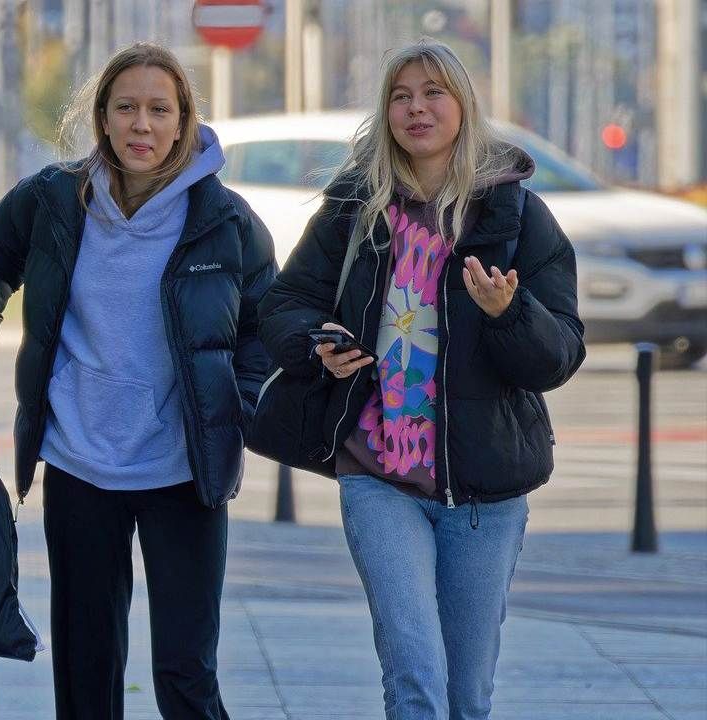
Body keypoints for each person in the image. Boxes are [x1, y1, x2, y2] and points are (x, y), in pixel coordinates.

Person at [0, 42, 277, 720]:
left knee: (185, 671)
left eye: (159, 110)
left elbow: (265, 327)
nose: (141, 125)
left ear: (184, 121)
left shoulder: (224, 219)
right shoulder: (53, 199)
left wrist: (233, 408)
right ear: (102, 117)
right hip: (80, 461)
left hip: (184, 470)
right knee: (86, 669)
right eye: (126, 108)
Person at [258, 39, 585, 719]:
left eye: (433, 92)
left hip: (487, 489)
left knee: (467, 697)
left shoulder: (516, 216)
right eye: (401, 95)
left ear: (463, 106)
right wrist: (318, 342)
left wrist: (509, 312)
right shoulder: (356, 206)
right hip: (377, 474)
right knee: (414, 678)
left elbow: (558, 355)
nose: (416, 108)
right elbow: (286, 304)